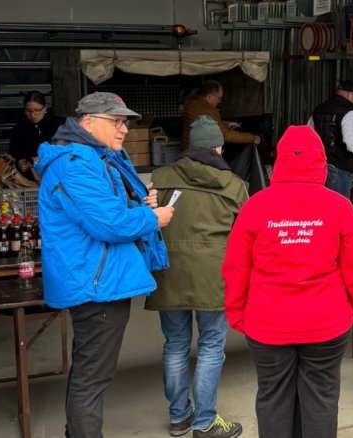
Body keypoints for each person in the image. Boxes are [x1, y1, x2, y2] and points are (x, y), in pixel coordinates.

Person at [35, 92, 174, 438]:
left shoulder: (93, 158)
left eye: (125, 122)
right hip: (94, 286)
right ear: (88, 122)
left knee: (90, 372)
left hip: (99, 281)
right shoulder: (75, 165)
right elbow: (109, 224)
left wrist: (140, 204)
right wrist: (152, 218)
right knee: (92, 377)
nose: (124, 129)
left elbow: (110, 211)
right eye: (116, 121)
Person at [222, 125, 353, 438]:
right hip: (326, 324)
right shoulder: (338, 206)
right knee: (320, 399)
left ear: (279, 162)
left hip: (268, 324)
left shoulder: (255, 206)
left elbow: (236, 266)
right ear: (321, 162)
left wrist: (236, 312)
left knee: (274, 397)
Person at [146, 116, 248, 438]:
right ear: (218, 147)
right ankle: (205, 422)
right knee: (211, 347)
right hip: (214, 275)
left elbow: (145, 219)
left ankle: (179, 417)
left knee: (175, 345)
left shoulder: (160, 178)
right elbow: (246, 236)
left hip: (170, 272)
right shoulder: (234, 184)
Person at [309, 80, 353, 198]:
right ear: (348, 94)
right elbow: (350, 141)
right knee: (338, 206)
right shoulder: (348, 112)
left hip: (319, 168)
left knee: (322, 204)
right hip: (338, 169)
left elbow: (308, 134)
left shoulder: (319, 109)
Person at [182, 80, 260, 150]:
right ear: (210, 97)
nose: (220, 101)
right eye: (219, 98)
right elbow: (226, 135)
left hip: (188, 151)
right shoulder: (207, 110)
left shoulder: (192, 105)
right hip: (200, 155)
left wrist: (225, 124)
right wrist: (252, 138)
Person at [9, 91, 63, 181]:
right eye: (28, 111)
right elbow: (13, 153)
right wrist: (21, 162)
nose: (32, 114)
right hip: (28, 178)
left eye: (37, 110)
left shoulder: (59, 125)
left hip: (55, 175)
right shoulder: (19, 129)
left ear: (45, 108)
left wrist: (43, 159)